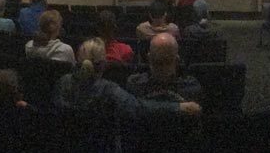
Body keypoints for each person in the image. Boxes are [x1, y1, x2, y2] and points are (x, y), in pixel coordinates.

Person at [56, 37, 201, 119]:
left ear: (77, 60)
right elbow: (139, 108)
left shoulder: (63, 82)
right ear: (104, 64)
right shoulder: (108, 90)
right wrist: (178, 107)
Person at [128, 33, 203, 103]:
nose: (162, 67)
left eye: (167, 61)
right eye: (157, 62)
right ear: (149, 59)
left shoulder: (190, 86)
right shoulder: (136, 84)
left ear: (176, 61)